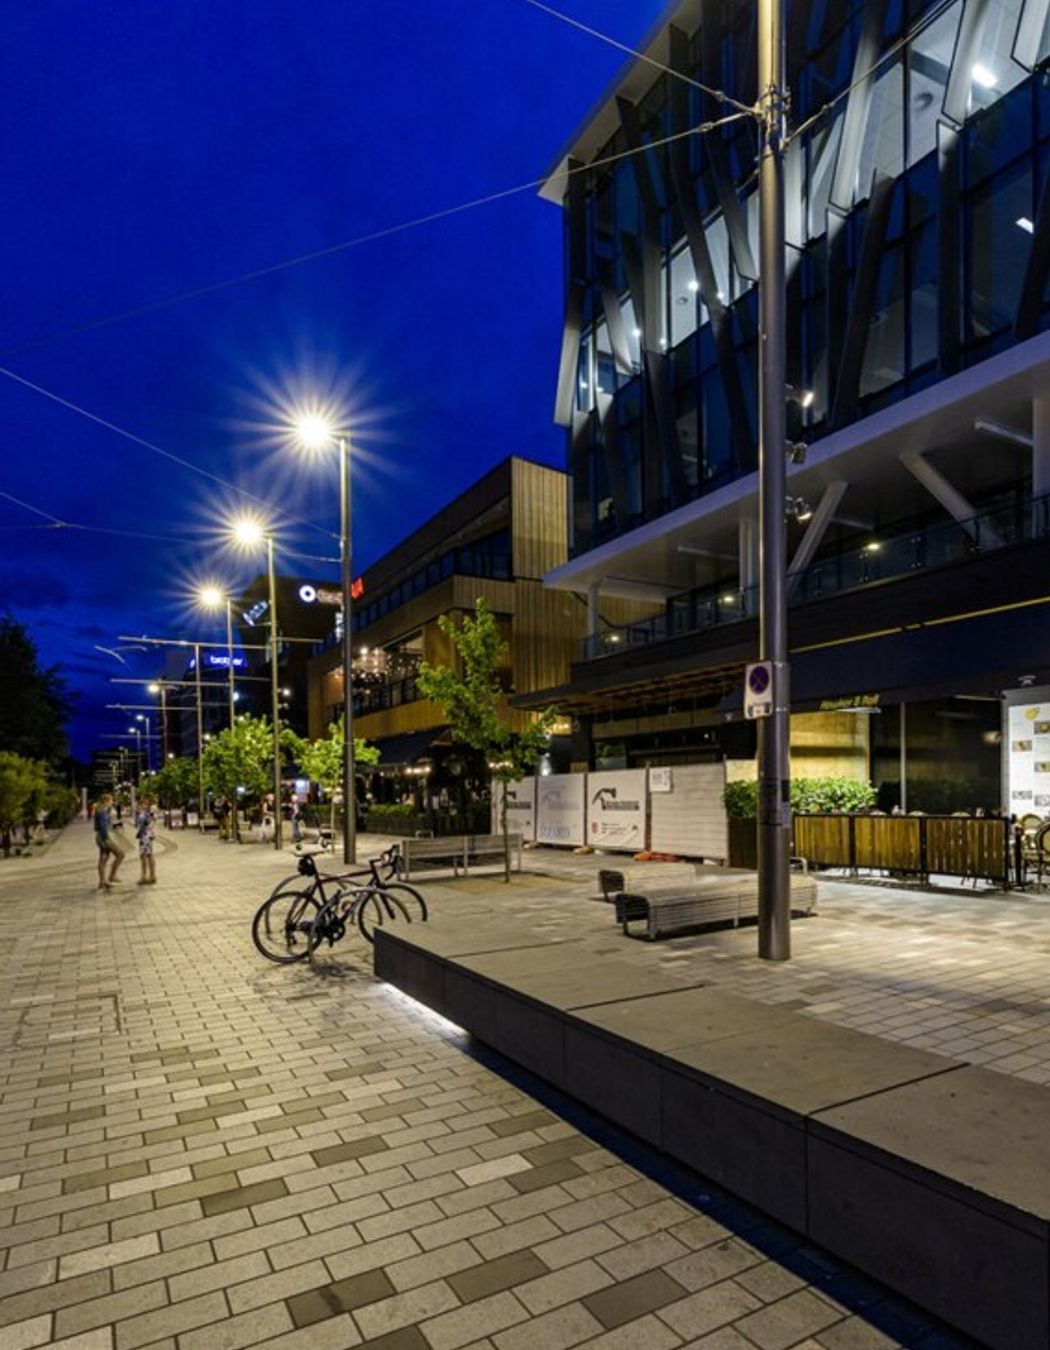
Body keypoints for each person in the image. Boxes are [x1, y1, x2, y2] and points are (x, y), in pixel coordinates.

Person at [93, 794, 125, 890]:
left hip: (101, 836)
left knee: (103, 858)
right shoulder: (102, 811)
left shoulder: (100, 810)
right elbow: (103, 826)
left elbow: (98, 826)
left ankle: (102, 882)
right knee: (120, 854)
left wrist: (114, 826)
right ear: (106, 801)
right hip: (105, 837)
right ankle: (112, 876)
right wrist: (107, 838)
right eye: (111, 800)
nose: (112, 802)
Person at [135, 796, 157, 885]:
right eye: (140, 804)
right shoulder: (143, 813)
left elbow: (149, 823)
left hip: (145, 836)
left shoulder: (146, 813)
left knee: (144, 855)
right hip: (146, 835)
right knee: (148, 855)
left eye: (142, 804)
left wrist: (147, 831)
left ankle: (145, 876)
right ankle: (151, 876)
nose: (140, 806)